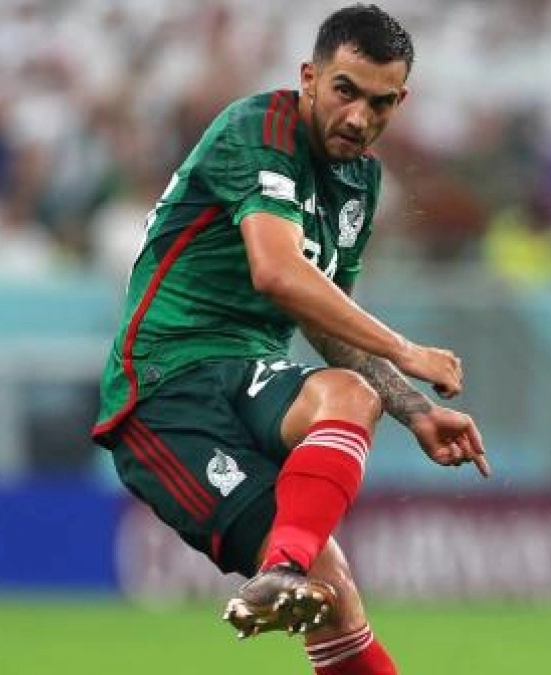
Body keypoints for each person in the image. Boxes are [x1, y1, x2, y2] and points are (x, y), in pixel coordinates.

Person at [90, 5, 489, 674]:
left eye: (381, 102)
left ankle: (281, 569)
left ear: (402, 100)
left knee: (348, 403)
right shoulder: (257, 129)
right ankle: (286, 566)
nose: (360, 117)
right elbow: (277, 271)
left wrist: (416, 410)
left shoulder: (360, 179)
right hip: (166, 390)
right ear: (309, 76)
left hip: (250, 370)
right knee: (328, 581)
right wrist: (405, 349)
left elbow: (323, 316)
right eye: (346, 91)